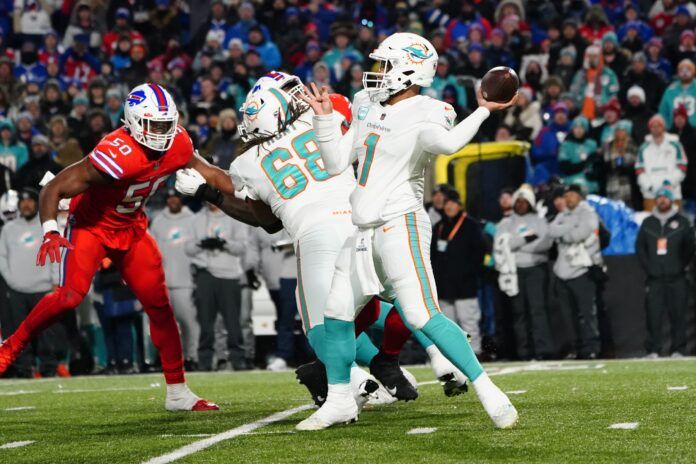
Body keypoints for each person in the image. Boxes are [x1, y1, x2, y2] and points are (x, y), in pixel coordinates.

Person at [298, 32, 518, 430]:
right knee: (335, 313)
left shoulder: (430, 109)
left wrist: (483, 110)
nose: (374, 72)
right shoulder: (366, 104)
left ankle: (488, 388)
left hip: (401, 224)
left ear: (409, 70)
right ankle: (339, 400)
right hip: (362, 230)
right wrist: (323, 119)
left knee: (420, 313)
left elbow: (447, 144)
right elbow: (334, 164)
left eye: (383, 64)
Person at [0, 83, 262, 411]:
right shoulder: (115, 151)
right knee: (69, 297)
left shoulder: (177, 143)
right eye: (155, 125)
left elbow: (211, 173)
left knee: (160, 307)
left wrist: (249, 189)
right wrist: (50, 230)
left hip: (132, 229)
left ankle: (178, 392)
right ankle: (11, 346)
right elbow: (54, 186)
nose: (163, 132)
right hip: (92, 228)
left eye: (168, 124)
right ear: (134, 121)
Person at [0, 188, 66, 378]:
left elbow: (56, 253)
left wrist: (55, 280)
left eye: (30, 201)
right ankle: (24, 369)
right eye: (23, 201)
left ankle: (49, 368)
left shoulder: (45, 225)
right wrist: (12, 281)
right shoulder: (8, 229)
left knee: (47, 332)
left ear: (37, 203)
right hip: (17, 291)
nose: (27, 204)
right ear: (19, 205)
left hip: (43, 288)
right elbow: (2, 257)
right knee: (18, 332)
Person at [186, 202, 250, 371]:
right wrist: (201, 244)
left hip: (229, 275)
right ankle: (205, 362)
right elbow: (188, 249)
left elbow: (242, 248)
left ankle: (238, 359)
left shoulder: (235, 217)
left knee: (232, 323)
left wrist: (224, 243)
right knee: (205, 323)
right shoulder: (195, 219)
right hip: (205, 274)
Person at [494, 186, 554, 360]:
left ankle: (543, 350)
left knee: (538, 310)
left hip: (536, 269)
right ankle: (524, 351)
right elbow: (502, 245)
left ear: (531, 203)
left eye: (524, 201)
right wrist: (527, 238)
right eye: (518, 201)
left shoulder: (539, 220)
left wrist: (518, 245)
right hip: (514, 272)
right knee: (519, 312)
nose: (520, 204)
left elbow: (545, 244)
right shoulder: (505, 223)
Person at [635, 185, 695, 358]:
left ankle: (679, 350)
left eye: (665, 197)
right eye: (659, 197)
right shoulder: (648, 223)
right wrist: (650, 268)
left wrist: (679, 266)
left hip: (677, 278)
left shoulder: (682, 222)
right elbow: (640, 248)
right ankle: (653, 350)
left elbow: (689, 248)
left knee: (678, 315)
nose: (662, 200)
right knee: (653, 316)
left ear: (671, 200)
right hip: (655, 279)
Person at [548, 184, 601, 359]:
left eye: (572, 195)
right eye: (566, 195)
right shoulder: (563, 215)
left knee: (587, 314)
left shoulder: (589, 213)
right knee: (568, 316)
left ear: (580, 196)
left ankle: (592, 348)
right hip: (562, 272)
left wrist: (564, 232)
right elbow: (551, 230)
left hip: (582, 271)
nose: (568, 199)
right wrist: (570, 227)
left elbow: (581, 234)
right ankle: (577, 349)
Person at [150, 188, 199, 371]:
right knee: (162, 325)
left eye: (175, 198)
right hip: (163, 280)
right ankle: (163, 359)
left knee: (188, 322)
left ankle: (191, 356)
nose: (173, 201)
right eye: (169, 198)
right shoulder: (158, 221)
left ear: (181, 200)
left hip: (186, 279)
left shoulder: (192, 219)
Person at [431, 189, 485, 354]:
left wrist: (470, 273)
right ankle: (452, 355)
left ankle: (475, 352)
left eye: (452, 203)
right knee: (448, 323)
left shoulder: (471, 225)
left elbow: (479, 253)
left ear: (459, 205)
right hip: (444, 284)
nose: (449, 206)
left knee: (468, 320)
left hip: (464, 283)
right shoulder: (438, 226)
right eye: (446, 203)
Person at [636, 115, 688, 210]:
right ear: (650, 128)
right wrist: (649, 186)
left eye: (658, 126)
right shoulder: (643, 148)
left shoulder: (675, 145)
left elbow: (682, 166)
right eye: (653, 126)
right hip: (651, 195)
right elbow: (639, 170)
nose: (656, 129)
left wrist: (669, 183)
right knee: (652, 223)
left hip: (673, 193)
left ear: (663, 127)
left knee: (674, 223)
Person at [558, 116, 599, 193]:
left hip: (590, 184)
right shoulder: (566, 145)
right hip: (571, 182)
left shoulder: (592, 144)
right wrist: (586, 162)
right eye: (576, 127)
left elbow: (597, 166)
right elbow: (566, 168)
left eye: (581, 127)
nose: (578, 130)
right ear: (573, 129)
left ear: (586, 130)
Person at [659, 59, 696, 128]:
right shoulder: (670, 90)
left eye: (688, 69)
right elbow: (663, 111)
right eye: (682, 70)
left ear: (694, 71)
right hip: (674, 129)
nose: (685, 73)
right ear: (678, 72)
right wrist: (667, 127)